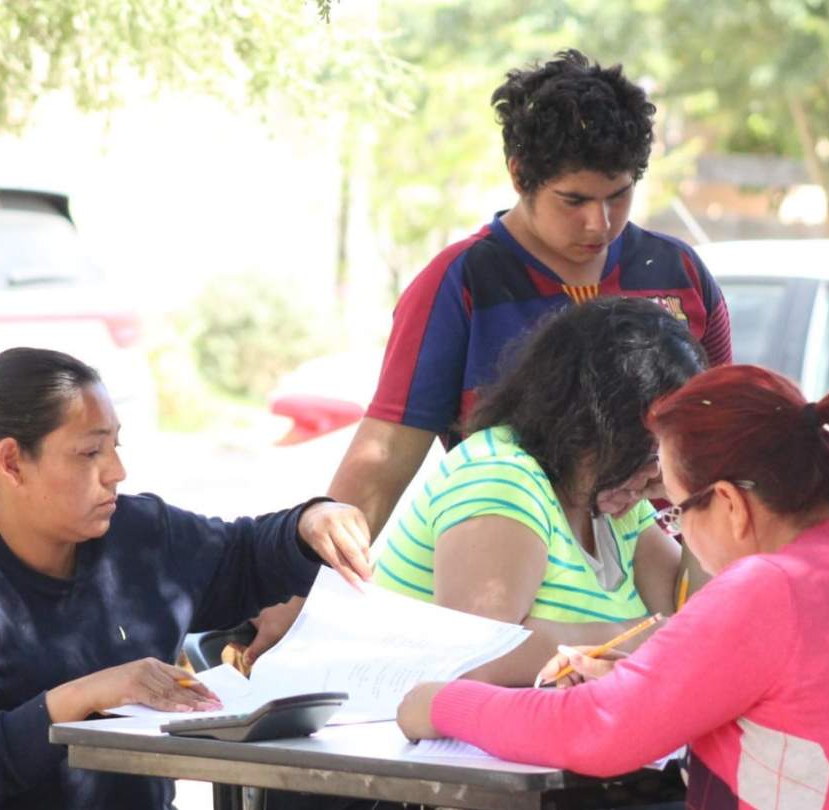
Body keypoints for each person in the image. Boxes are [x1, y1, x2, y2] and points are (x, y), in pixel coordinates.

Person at [248, 48, 735, 665]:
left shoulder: (681, 272)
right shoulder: (461, 282)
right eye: (574, 200)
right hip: (518, 557)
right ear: (517, 175)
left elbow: (725, 434)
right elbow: (383, 459)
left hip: (659, 551)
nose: (601, 223)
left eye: (619, 195)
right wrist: (304, 594)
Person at [396, 365, 829, 808]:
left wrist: (442, 704)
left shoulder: (775, 586)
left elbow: (597, 732)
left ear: (728, 504)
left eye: (674, 511)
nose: (678, 536)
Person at [0, 347, 373, 810]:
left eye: (116, 446)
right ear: (12, 461)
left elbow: (244, 556)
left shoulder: (136, 536)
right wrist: (80, 698)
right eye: (89, 452)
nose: (116, 471)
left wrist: (309, 523)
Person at [373, 297, 705, 685]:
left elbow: (695, 621)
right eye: (650, 447)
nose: (658, 468)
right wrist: (639, 638)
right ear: (590, 421)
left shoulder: (615, 497)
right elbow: (478, 655)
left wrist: (694, 498)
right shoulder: (501, 477)